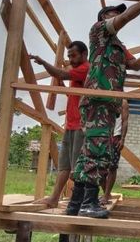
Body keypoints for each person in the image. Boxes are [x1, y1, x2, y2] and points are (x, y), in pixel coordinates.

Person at [66, 0, 140, 219]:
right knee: (98, 149)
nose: (119, 15)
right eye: (114, 13)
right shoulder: (98, 32)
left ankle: (76, 203)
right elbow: (126, 18)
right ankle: (89, 203)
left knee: (89, 151)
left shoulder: (119, 47)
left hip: (108, 104)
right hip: (98, 99)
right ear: (104, 17)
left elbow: (135, 65)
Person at [29, 41, 89, 209]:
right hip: (71, 124)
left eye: (73, 55)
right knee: (64, 167)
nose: (70, 59)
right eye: (68, 56)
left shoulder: (86, 68)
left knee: (78, 168)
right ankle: (54, 198)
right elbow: (72, 91)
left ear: (84, 54)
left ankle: (79, 201)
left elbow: (62, 74)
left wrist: (43, 63)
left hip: (80, 125)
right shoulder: (75, 73)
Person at [100, 99, 129, 205]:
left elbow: (125, 121)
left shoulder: (123, 102)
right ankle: (106, 193)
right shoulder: (104, 97)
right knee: (99, 167)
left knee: (112, 166)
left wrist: (122, 139)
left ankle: (106, 195)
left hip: (115, 137)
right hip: (101, 136)